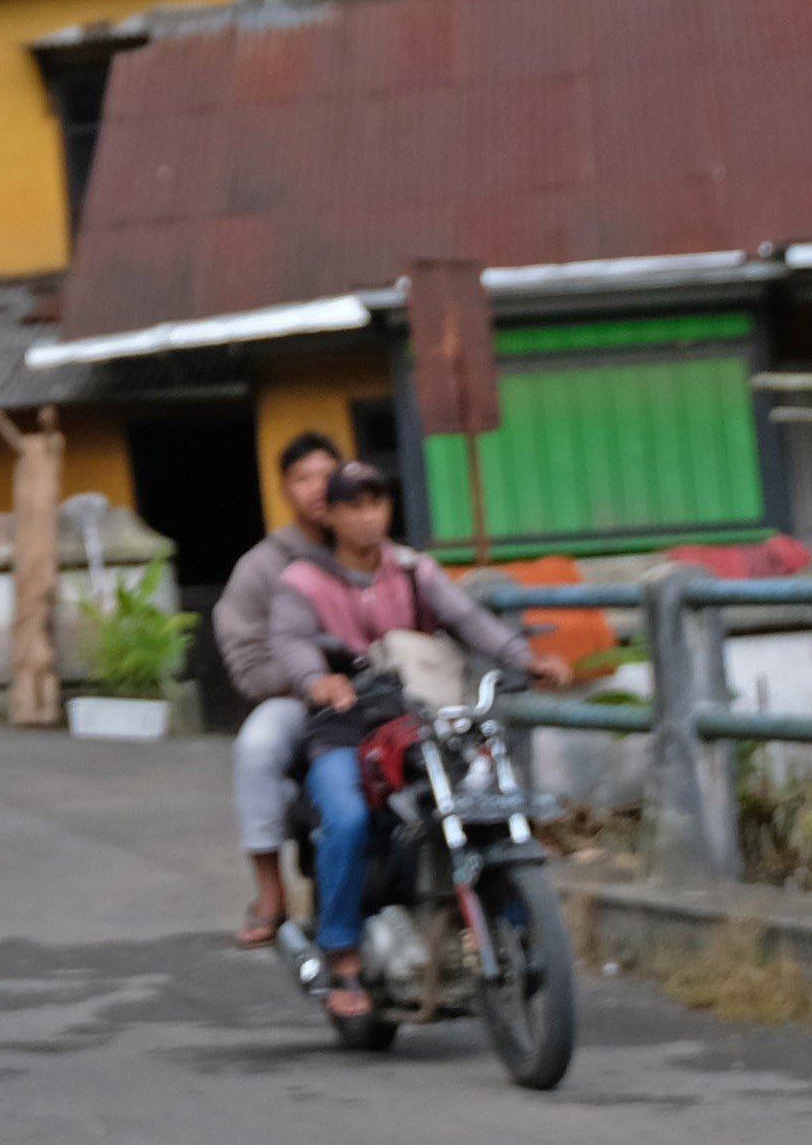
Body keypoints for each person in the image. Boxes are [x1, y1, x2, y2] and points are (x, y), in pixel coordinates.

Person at [270, 461, 571, 1023]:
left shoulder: (413, 571)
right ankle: (343, 956)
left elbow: (466, 617)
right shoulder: (302, 581)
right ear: (331, 515)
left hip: (416, 719)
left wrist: (524, 657)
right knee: (348, 817)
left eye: (376, 503)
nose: (368, 517)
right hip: (341, 726)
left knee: (477, 796)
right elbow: (288, 643)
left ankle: (505, 929)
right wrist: (318, 680)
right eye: (354, 506)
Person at [215, 431, 341, 947]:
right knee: (256, 747)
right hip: (295, 703)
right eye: (302, 478)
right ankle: (271, 892)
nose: (316, 488)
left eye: (327, 476)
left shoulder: (367, 546)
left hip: (376, 695)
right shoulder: (262, 566)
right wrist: (309, 679)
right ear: (284, 490)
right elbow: (245, 659)